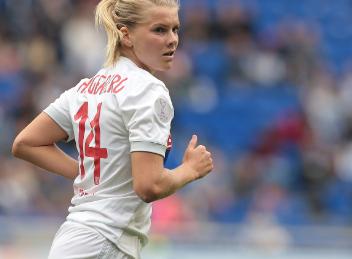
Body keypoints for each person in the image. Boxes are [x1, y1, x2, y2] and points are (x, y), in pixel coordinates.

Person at [11, 0, 214, 258]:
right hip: (106, 241)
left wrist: (90, 174)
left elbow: (26, 143)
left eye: (175, 29)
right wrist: (190, 170)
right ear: (126, 34)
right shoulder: (148, 90)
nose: (172, 39)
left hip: (77, 236)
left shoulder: (86, 87)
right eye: (159, 30)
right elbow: (148, 186)